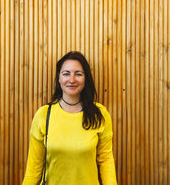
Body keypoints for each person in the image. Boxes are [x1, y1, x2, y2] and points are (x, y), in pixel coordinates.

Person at [23, 51, 117, 185]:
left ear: (86, 78)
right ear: (59, 78)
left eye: (78, 74)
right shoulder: (43, 115)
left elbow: (106, 160)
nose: (72, 79)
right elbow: (34, 167)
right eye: (66, 73)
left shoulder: (99, 113)